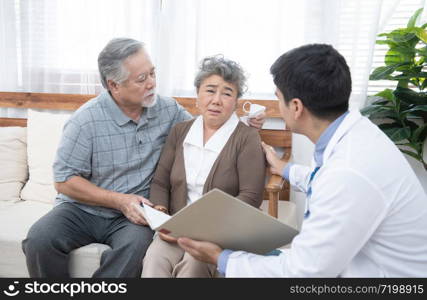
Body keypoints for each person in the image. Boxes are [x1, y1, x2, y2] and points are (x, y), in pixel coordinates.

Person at [21, 38, 265, 278]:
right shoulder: (85, 121)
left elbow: (207, 127)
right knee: (39, 239)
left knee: (136, 249)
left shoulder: (167, 110)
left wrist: (244, 124)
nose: (152, 84)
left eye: (152, 74)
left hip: (135, 216)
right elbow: (64, 180)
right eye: (142, 79)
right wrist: (119, 201)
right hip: (82, 210)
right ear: (114, 85)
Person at [177, 44, 427, 277]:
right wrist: (286, 169)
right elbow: (325, 181)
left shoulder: (349, 172)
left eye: (278, 97)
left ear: (296, 107)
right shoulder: (356, 135)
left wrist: (222, 258)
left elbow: (305, 273)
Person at [141, 55, 266, 278]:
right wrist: (162, 218)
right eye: (210, 90)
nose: (216, 100)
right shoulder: (180, 131)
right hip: (175, 228)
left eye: (227, 93)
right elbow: (160, 181)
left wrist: (209, 230)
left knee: (193, 265)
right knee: (153, 261)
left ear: (236, 101)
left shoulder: (246, 137)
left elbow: (251, 196)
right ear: (198, 95)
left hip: (218, 233)